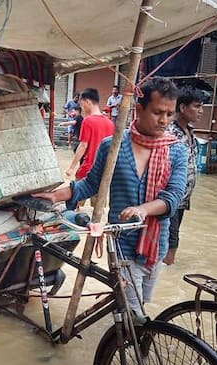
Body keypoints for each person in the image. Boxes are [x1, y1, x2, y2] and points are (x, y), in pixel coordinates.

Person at [33, 77, 188, 316]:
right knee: (134, 313)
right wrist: (55, 196)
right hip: (122, 245)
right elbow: (91, 184)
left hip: (157, 245)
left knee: (139, 306)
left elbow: (174, 197)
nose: (164, 121)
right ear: (139, 108)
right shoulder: (114, 145)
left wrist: (143, 209)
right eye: (158, 112)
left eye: (169, 114)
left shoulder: (177, 149)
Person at [163, 87, 203, 265]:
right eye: (197, 106)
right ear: (183, 108)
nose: (201, 111)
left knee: (170, 241)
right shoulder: (170, 134)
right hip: (169, 197)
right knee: (170, 244)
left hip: (183, 200)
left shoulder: (190, 132)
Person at [65, 88, 114, 180]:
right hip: (103, 171)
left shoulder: (88, 121)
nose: (82, 108)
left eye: (82, 104)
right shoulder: (110, 123)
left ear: (87, 102)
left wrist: (71, 168)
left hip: (88, 169)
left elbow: (83, 145)